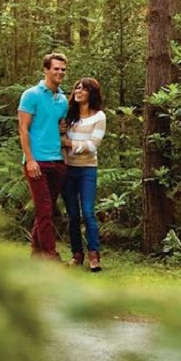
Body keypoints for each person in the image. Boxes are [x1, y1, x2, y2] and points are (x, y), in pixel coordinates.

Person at [18, 52, 69, 260]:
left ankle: (37, 254)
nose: (60, 72)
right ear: (46, 70)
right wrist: (29, 159)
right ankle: (50, 256)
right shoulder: (31, 95)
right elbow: (23, 129)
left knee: (45, 211)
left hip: (57, 161)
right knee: (45, 209)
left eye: (63, 69)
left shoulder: (63, 99)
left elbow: (60, 128)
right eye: (56, 68)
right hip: (37, 161)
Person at [61, 77, 106, 272]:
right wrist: (62, 135)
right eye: (77, 87)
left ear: (91, 93)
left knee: (87, 212)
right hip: (67, 169)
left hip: (87, 169)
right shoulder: (68, 115)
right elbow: (58, 135)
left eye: (83, 89)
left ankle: (94, 255)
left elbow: (93, 145)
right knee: (72, 215)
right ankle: (76, 254)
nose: (78, 91)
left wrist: (69, 144)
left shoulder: (99, 117)